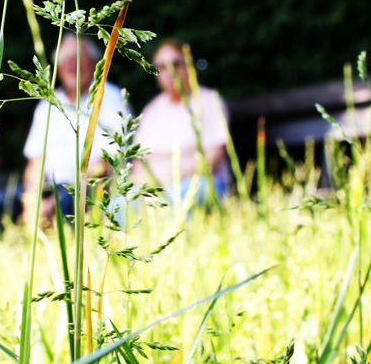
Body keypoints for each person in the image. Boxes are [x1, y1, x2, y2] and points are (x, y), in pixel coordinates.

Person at [22, 33, 129, 225]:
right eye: (65, 60)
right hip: (49, 188)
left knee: (66, 204)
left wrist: (56, 200)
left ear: (95, 63)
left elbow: (106, 161)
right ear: (58, 67)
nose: (72, 65)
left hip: (90, 187)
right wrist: (33, 200)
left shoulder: (111, 98)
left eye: (78, 58)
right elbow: (35, 162)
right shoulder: (48, 105)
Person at [132, 40, 230, 205]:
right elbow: (139, 161)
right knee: (120, 203)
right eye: (161, 66)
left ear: (189, 65)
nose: (170, 71)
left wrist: (169, 177)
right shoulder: (152, 109)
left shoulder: (209, 101)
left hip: (199, 181)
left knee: (174, 197)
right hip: (153, 187)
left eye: (176, 64)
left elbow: (213, 158)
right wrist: (144, 184)